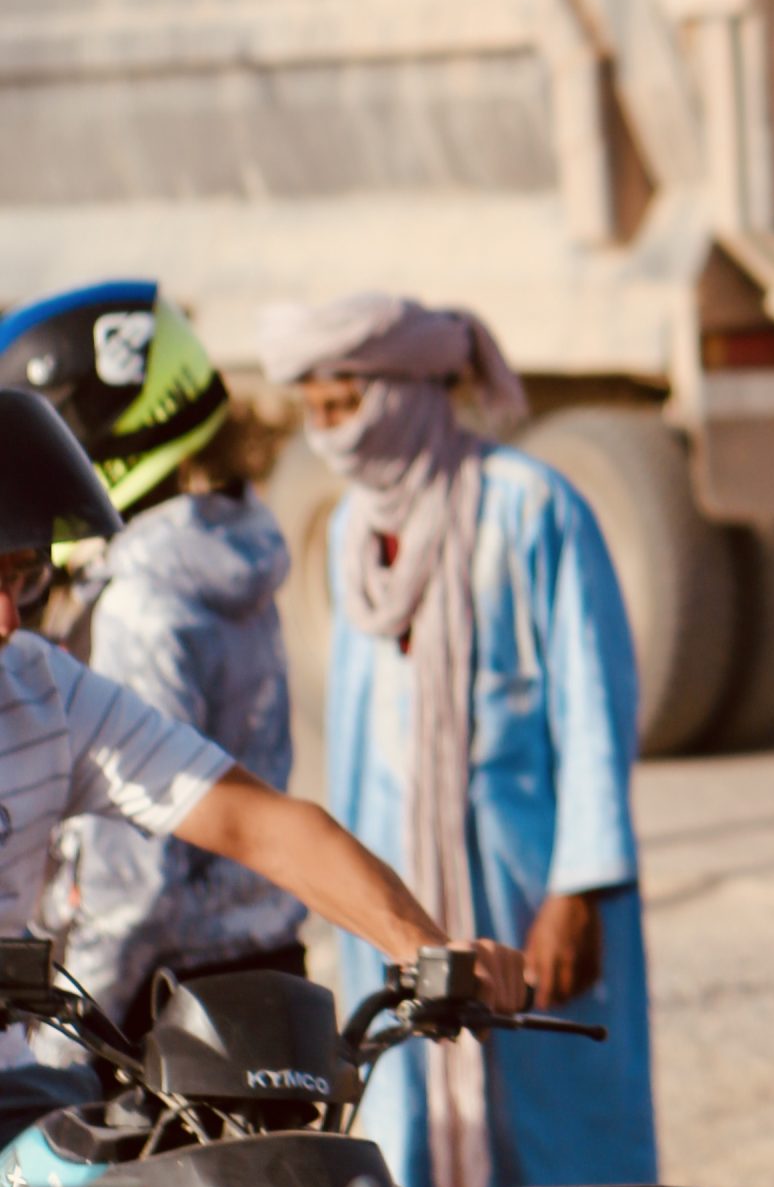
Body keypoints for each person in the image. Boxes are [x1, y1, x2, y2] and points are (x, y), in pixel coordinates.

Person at [0, 387, 528, 1141]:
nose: (9, 618)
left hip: (17, 1095)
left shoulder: (42, 689)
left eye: (22, 576)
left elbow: (266, 827)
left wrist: (430, 951)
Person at [257, 293, 654, 1187]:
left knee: (563, 1138)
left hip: (529, 885)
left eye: (343, 407)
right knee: (412, 1130)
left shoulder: (529, 505)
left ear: (404, 392)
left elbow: (597, 704)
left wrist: (579, 890)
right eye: (314, 415)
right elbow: (357, 737)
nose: (332, 437)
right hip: (403, 883)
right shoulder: (350, 532)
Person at [0, 282, 304, 1032]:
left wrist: (63, 1051)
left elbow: (133, 877)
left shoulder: (138, 600)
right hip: (265, 968)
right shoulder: (231, 553)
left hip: (157, 998)